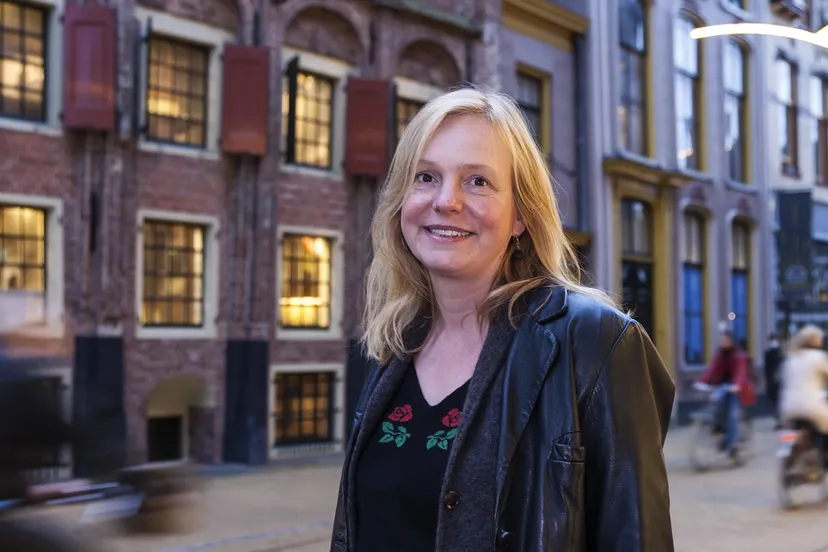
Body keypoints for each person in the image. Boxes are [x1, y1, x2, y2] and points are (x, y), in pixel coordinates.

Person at [330, 87, 676, 552]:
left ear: (520, 216)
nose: (446, 200)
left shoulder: (597, 342)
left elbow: (637, 538)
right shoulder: (394, 345)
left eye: (478, 182)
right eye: (426, 176)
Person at [697, 331, 756, 459]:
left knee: (732, 415)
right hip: (722, 386)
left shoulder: (739, 355)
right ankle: (721, 432)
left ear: (731, 341)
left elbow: (741, 372)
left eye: (726, 340)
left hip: (736, 387)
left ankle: (734, 445)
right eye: (722, 340)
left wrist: (736, 386)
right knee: (716, 406)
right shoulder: (720, 354)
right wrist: (702, 382)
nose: (723, 342)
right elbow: (712, 369)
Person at [778, 325, 828, 451]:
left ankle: (786, 454)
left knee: (788, 436)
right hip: (812, 407)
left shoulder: (790, 358)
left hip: (788, 408)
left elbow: (782, 379)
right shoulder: (818, 357)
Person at [763, 333, 784, 428]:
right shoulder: (781, 352)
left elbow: (766, 368)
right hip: (780, 379)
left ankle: (780, 420)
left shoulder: (768, 353)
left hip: (773, 379)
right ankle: (781, 419)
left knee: (776, 401)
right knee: (780, 400)